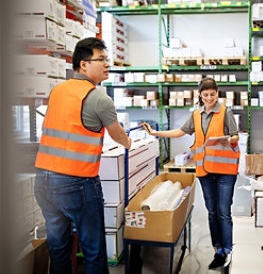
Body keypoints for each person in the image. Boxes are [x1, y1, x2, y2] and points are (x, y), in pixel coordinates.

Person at [34, 37, 131, 274]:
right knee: (94, 249)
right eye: (101, 60)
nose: (107, 64)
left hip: (44, 181)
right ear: (84, 65)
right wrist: (129, 141)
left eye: (107, 59)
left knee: (58, 248)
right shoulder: (98, 97)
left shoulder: (57, 90)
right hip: (76, 183)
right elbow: (118, 134)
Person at [143, 77, 240, 269]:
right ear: (200, 96)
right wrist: (155, 134)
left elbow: (236, 135)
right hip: (205, 171)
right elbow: (180, 132)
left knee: (223, 212)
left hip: (225, 172)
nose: (210, 98)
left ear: (217, 93)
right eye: (206, 95)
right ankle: (217, 251)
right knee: (212, 213)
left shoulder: (225, 112)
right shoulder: (196, 115)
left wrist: (228, 139)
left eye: (212, 94)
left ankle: (228, 251)